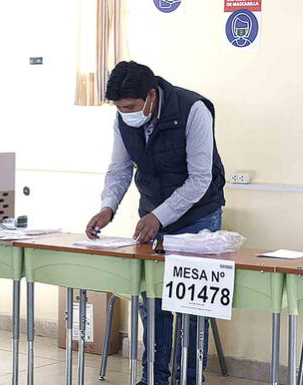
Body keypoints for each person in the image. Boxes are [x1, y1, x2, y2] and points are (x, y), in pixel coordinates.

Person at [86, 61, 225, 385]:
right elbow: (120, 169)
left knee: (193, 307)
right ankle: (154, 378)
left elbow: (199, 179)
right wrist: (108, 207)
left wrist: (159, 215)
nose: (125, 113)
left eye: (131, 107)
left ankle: (190, 379)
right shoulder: (124, 119)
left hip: (198, 217)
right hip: (152, 216)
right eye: (119, 108)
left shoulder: (194, 109)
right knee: (153, 302)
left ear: (151, 95)